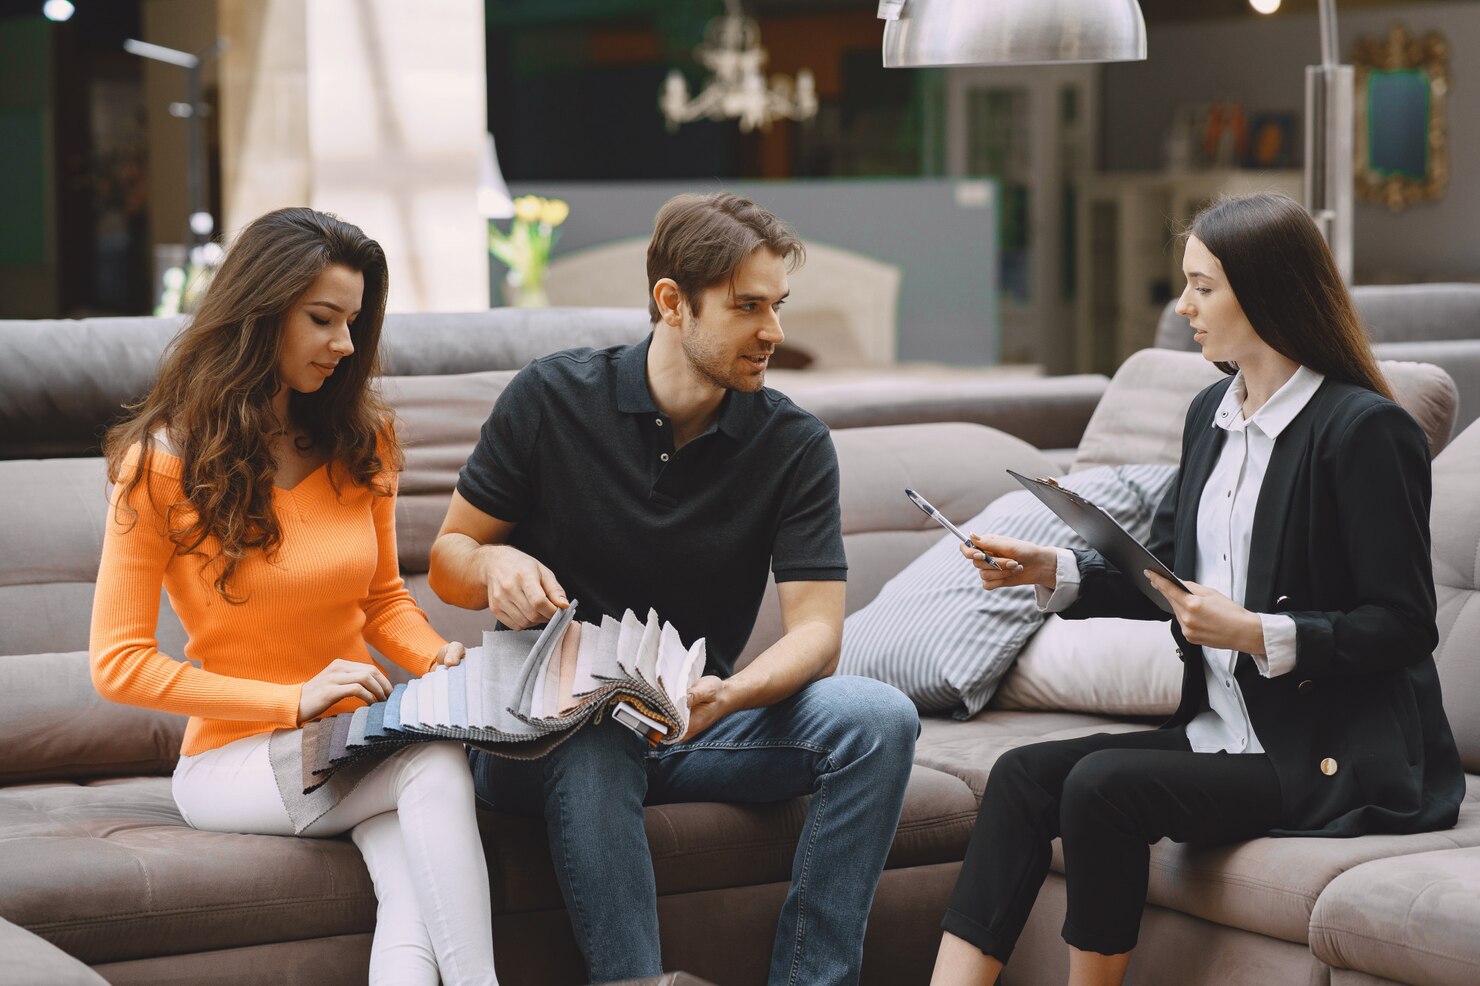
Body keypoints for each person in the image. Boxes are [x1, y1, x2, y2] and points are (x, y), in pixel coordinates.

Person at [931, 192, 1465, 986]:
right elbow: (1176, 578)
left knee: (1104, 786)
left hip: (1332, 755)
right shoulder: (1210, 413)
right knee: (1020, 776)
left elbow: (1403, 625)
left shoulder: (1362, 430)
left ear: (1268, 290)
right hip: (1223, 729)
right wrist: (1054, 570)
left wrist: (1256, 633)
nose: (1183, 306)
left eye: (1202, 286)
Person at [427, 192, 919, 985]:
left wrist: (732, 694)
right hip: (540, 733)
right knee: (594, 732)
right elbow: (450, 554)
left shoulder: (792, 444)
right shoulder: (551, 399)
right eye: (748, 307)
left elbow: (818, 634)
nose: (774, 333)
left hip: (690, 721)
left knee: (879, 719)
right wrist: (495, 568)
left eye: (778, 306)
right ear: (671, 302)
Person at [89, 208, 498, 986]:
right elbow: (118, 664)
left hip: (354, 745)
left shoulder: (361, 442)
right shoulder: (160, 466)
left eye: (352, 323)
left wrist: (441, 659)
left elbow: (382, 600)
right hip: (231, 761)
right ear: (259, 312)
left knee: (414, 897)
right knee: (434, 765)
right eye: (322, 320)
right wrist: (294, 700)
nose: (345, 346)